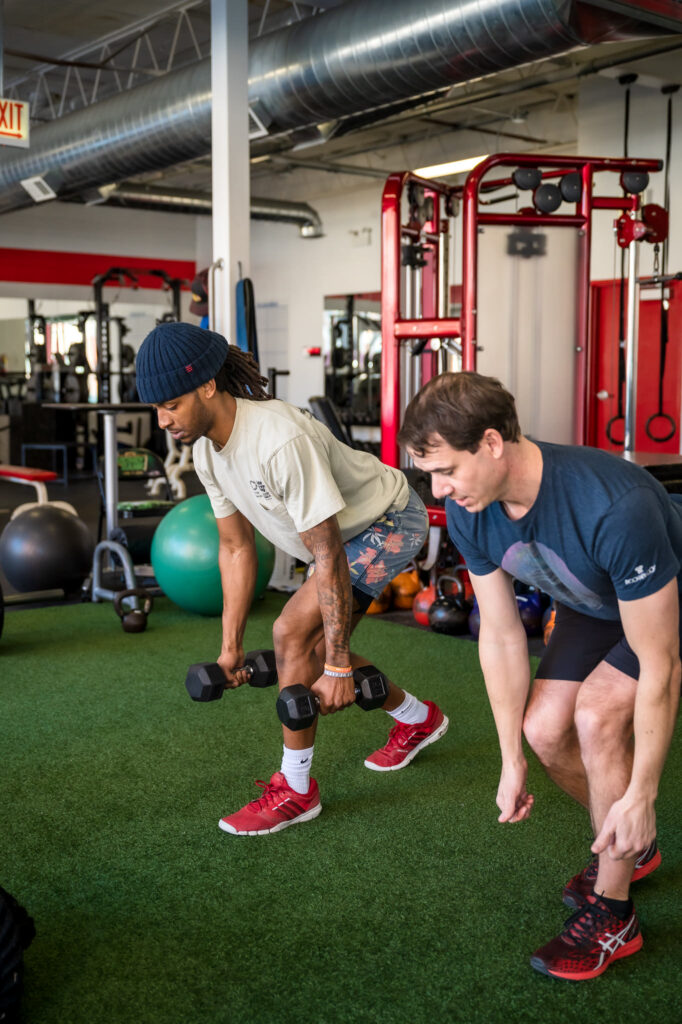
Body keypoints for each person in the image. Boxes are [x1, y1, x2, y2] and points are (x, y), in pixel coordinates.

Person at [398, 370, 681, 982]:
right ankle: (631, 847)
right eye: (429, 476)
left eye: (446, 470)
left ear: (493, 443)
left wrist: (644, 792)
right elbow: (500, 634)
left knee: (596, 713)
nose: (439, 491)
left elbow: (660, 663)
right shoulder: (474, 510)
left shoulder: (612, 505)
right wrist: (510, 758)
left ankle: (614, 912)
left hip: (666, 592)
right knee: (547, 731)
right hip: (595, 601)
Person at [135, 321, 448, 836]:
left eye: (171, 404)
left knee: (291, 634)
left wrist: (342, 665)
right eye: (157, 408)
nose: (163, 419)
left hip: (387, 520)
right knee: (312, 651)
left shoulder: (278, 440)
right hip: (331, 541)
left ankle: (297, 790)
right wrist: (229, 648)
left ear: (208, 386)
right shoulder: (206, 453)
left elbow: (327, 554)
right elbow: (236, 549)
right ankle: (420, 719)